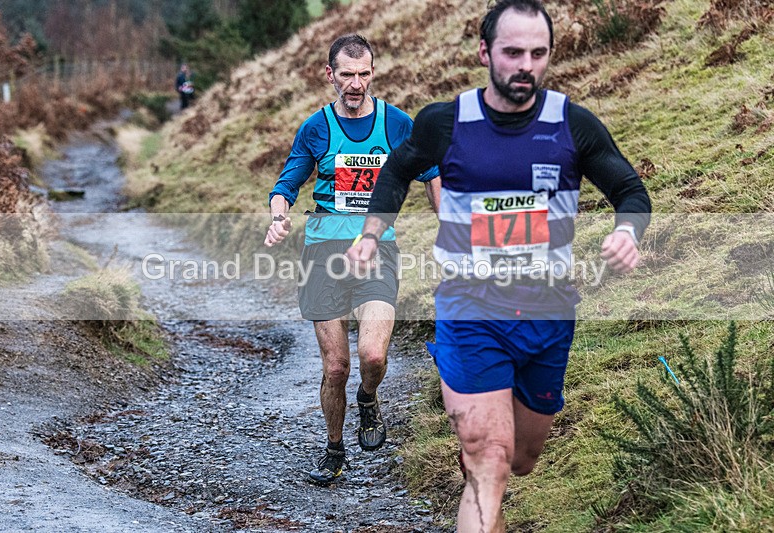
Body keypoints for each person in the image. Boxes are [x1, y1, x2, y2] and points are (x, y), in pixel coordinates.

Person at [346, 1, 651, 530]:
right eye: (512, 52)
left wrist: (628, 231)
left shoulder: (571, 124)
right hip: (470, 310)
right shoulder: (447, 122)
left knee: (520, 460)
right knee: (488, 461)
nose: (525, 65)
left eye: (538, 53)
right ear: (486, 52)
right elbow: (396, 172)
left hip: (547, 315)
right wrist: (372, 233)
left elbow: (630, 190)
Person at [264, 34, 440, 485]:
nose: (356, 83)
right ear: (330, 75)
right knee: (335, 366)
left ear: (373, 73)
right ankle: (334, 448)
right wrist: (278, 217)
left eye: (364, 74)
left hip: (378, 250)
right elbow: (287, 184)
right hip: (323, 254)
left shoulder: (397, 123)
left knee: (373, 355)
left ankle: (368, 397)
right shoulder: (316, 127)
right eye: (347, 74)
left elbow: (432, 173)